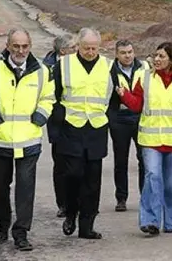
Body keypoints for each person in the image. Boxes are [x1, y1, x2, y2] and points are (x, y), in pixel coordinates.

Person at [0, 28, 55, 251]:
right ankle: (3, 222)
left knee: (25, 189)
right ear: (7, 45)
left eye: (25, 46)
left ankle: (21, 232)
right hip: (0, 140)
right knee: (0, 187)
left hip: (29, 141)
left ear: (30, 46)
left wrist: (41, 116)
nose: (20, 50)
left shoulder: (43, 71)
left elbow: (49, 97)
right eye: (16, 46)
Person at [118, 42, 172, 235]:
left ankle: (170, 222)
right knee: (152, 176)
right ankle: (150, 221)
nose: (156, 60)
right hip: (150, 139)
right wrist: (125, 96)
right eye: (155, 56)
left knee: (171, 184)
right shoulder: (144, 77)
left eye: (161, 56)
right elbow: (138, 105)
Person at [51, 27, 114, 240]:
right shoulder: (64, 65)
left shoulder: (108, 66)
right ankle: (70, 212)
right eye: (86, 48)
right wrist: (56, 129)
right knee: (73, 175)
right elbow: (54, 97)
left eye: (94, 48)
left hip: (96, 129)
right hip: (71, 127)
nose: (90, 52)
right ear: (78, 46)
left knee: (92, 180)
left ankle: (87, 225)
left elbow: (114, 98)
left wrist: (110, 121)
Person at [108, 39, 150, 212]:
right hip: (119, 119)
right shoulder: (110, 71)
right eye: (123, 53)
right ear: (117, 54)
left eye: (130, 52)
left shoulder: (144, 68)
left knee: (144, 158)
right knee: (121, 159)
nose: (127, 56)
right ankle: (121, 198)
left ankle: (145, 196)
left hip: (139, 117)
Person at [42, 33, 76, 218]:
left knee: (78, 165)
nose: (76, 50)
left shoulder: (77, 65)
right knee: (61, 165)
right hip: (58, 124)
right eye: (73, 47)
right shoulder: (47, 68)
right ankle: (62, 203)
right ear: (63, 51)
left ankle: (76, 202)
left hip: (78, 122)